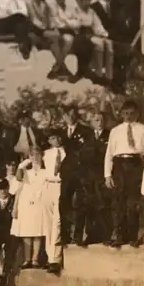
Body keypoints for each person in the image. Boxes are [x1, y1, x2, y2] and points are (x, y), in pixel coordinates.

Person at [104, 100, 144, 247]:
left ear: (137, 114)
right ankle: (119, 235)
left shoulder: (143, 129)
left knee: (133, 202)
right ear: (121, 114)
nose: (128, 116)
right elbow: (109, 154)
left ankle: (133, 236)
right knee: (119, 201)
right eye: (125, 113)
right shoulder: (115, 131)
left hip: (136, 165)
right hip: (119, 165)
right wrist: (107, 174)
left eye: (132, 113)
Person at [58, 105, 92, 246]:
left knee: (81, 203)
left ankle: (78, 236)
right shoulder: (61, 132)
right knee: (64, 202)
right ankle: (65, 236)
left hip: (81, 171)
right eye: (67, 115)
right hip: (66, 171)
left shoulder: (86, 131)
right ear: (63, 117)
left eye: (73, 115)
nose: (70, 118)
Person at [11, 148, 46, 269]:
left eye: (37, 154)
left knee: (38, 232)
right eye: (32, 155)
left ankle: (35, 259)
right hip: (25, 203)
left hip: (39, 203)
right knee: (26, 232)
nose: (35, 157)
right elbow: (18, 186)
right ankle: (27, 259)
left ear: (42, 156)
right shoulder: (26, 172)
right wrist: (15, 207)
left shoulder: (45, 172)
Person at [81, 112, 112, 244]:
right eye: (96, 120)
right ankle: (91, 235)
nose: (99, 122)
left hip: (103, 175)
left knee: (104, 205)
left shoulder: (110, 135)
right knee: (90, 206)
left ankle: (106, 235)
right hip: (89, 177)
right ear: (91, 123)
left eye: (101, 120)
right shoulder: (86, 137)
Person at [74, 0, 113, 81]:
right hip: (80, 35)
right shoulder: (75, 11)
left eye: (88, 0)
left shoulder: (91, 11)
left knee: (109, 43)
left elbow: (97, 25)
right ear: (78, 1)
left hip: (91, 34)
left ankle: (109, 75)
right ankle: (98, 72)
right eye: (82, 0)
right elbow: (73, 25)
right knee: (99, 43)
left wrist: (106, 34)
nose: (85, 3)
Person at [48, 0, 85, 82]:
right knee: (62, 41)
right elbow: (57, 22)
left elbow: (78, 22)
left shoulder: (71, 8)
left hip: (69, 32)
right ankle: (61, 68)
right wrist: (69, 22)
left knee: (69, 39)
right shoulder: (52, 6)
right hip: (56, 32)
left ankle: (56, 67)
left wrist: (66, 22)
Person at [40, 131, 64, 275]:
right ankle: (50, 258)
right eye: (53, 137)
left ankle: (56, 259)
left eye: (58, 137)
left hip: (61, 185)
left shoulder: (67, 152)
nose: (56, 140)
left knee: (58, 222)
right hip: (47, 185)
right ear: (49, 140)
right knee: (48, 223)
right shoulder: (45, 154)